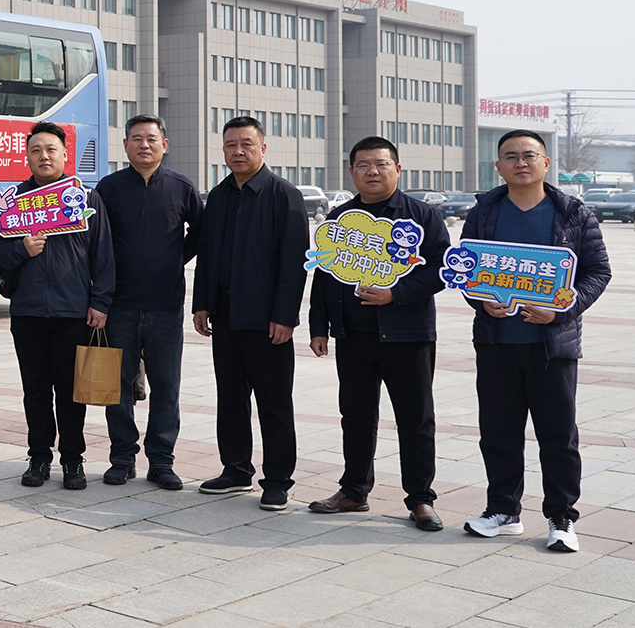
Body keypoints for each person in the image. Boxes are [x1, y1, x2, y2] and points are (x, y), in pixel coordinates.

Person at [460, 130, 610, 553]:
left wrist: (562, 309)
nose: (520, 163)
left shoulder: (573, 213)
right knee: (498, 432)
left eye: (529, 155)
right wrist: (480, 301)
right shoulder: (484, 212)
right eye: (510, 156)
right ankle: (503, 511)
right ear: (498, 166)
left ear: (546, 163)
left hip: (552, 345)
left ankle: (561, 517)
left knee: (558, 435)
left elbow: (598, 271)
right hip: (497, 342)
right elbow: (466, 268)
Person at [307, 136, 451, 531]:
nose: (372, 171)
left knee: (416, 419)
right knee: (355, 416)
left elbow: (442, 269)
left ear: (397, 169)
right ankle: (354, 490)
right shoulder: (340, 218)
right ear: (352, 172)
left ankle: (420, 499)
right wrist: (319, 327)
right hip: (353, 336)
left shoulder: (422, 216)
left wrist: (395, 293)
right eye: (363, 165)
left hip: (408, 335)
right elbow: (324, 274)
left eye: (381, 164)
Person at [0, 121, 115, 491]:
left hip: (73, 313)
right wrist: (21, 249)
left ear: (64, 154)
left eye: (51, 149)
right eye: (36, 150)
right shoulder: (12, 202)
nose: (43, 156)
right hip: (27, 312)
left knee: (72, 391)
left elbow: (103, 254)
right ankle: (39, 457)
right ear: (27, 157)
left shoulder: (85, 198)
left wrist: (100, 302)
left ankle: (73, 459)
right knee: (36, 390)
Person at [193, 116, 309, 511]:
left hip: (266, 319)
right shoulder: (219, 195)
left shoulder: (284, 195)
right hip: (225, 314)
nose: (238, 151)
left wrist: (285, 316)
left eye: (246, 144)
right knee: (230, 397)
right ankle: (236, 469)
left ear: (263, 148)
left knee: (273, 402)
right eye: (230, 145)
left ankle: (277, 480)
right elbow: (207, 254)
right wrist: (202, 303)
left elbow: (294, 264)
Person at [92, 115, 204, 492]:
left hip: (165, 305)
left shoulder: (181, 187)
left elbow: (200, 233)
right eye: (136, 138)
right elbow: (97, 242)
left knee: (166, 386)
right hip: (118, 306)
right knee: (117, 386)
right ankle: (122, 458)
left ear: (164, 145)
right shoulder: (108, 188)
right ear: (125, 145)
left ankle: (161, 461)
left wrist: (175, 260)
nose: (144, 145)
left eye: (151, 138)